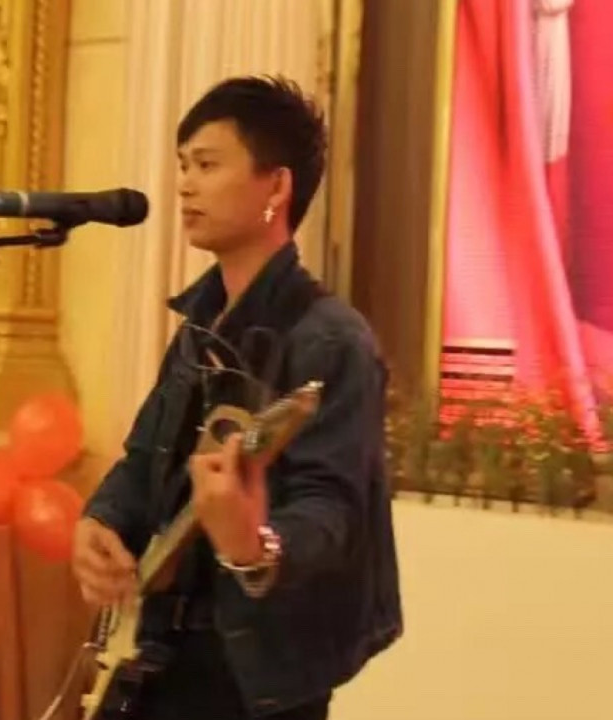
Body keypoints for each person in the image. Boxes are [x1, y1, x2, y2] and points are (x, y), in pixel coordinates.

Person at [73, 76, 402, 720]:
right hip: (161, 649)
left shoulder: (332, 340)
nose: (184, 185)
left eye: (207, 165)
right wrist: (102, 520)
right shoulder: (201, 325)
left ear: (276, 187)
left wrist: (254, 545)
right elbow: (145, 459)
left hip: (256, 675)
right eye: (182, 165)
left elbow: (333, 511)